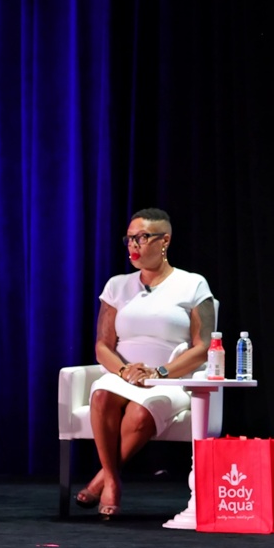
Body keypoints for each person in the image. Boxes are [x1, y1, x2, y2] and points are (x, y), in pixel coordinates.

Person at [75, 208, 215, 518]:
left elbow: (203, 347)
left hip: (172, 377)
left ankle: (102, 478)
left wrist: (159, 372)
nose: (133, 246)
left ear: (165, 240)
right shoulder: (117, 285)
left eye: (142, 237)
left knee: (140, 413)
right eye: (129, 239)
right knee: (101, 394)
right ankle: (111, 480)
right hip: (123, 374)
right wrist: (125, 370)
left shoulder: (192, 284)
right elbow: (102, 346)